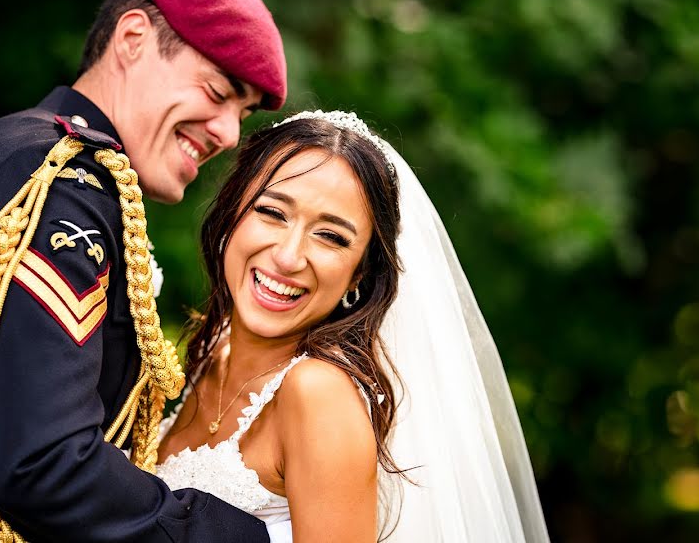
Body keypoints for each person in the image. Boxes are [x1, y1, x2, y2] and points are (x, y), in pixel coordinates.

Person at [0, 0, 285, 543]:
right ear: (132, 38)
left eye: (241, 113)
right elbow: (43, 464)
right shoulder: (66, 184)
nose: (227, 133)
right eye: (218, 91)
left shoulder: (12, 145)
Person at [156, 110, 551, 542]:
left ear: (359, 274)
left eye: (331, 237)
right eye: (272, 212)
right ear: (233, 212)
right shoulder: (209, 353)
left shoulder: (316, 392)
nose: (289, 257)